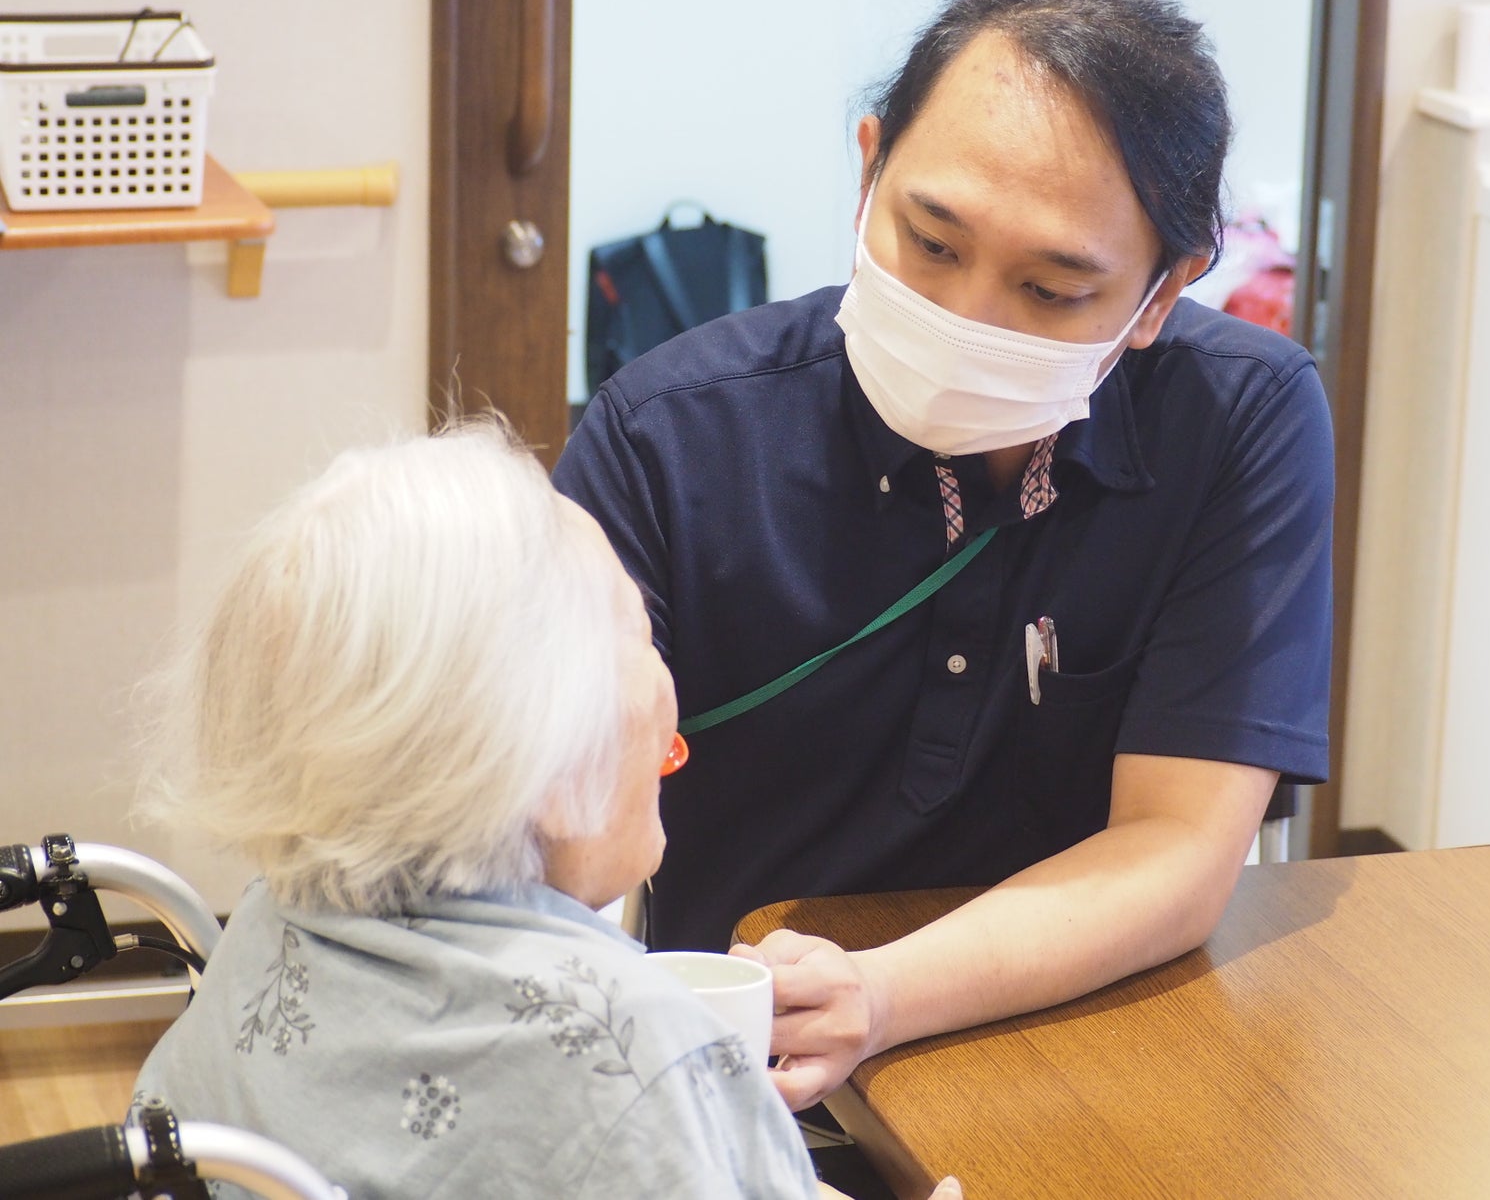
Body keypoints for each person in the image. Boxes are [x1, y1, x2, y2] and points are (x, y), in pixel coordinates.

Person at [554, 0, 1334, 1112]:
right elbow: (541, 837)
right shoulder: (667, 437)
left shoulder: (1241, 419)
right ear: (869, 169)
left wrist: (881, 995)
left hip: (1095, 1045)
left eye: (1053, 290)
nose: (969, 323)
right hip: (754, 1070)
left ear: (1164, 293)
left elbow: (1179, 845)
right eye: (930, 242)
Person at [130, 423, 949, 1198]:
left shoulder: (270, 918)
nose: (669, 685)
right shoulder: (634, 1051)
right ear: (543, 759)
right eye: (639, 639)